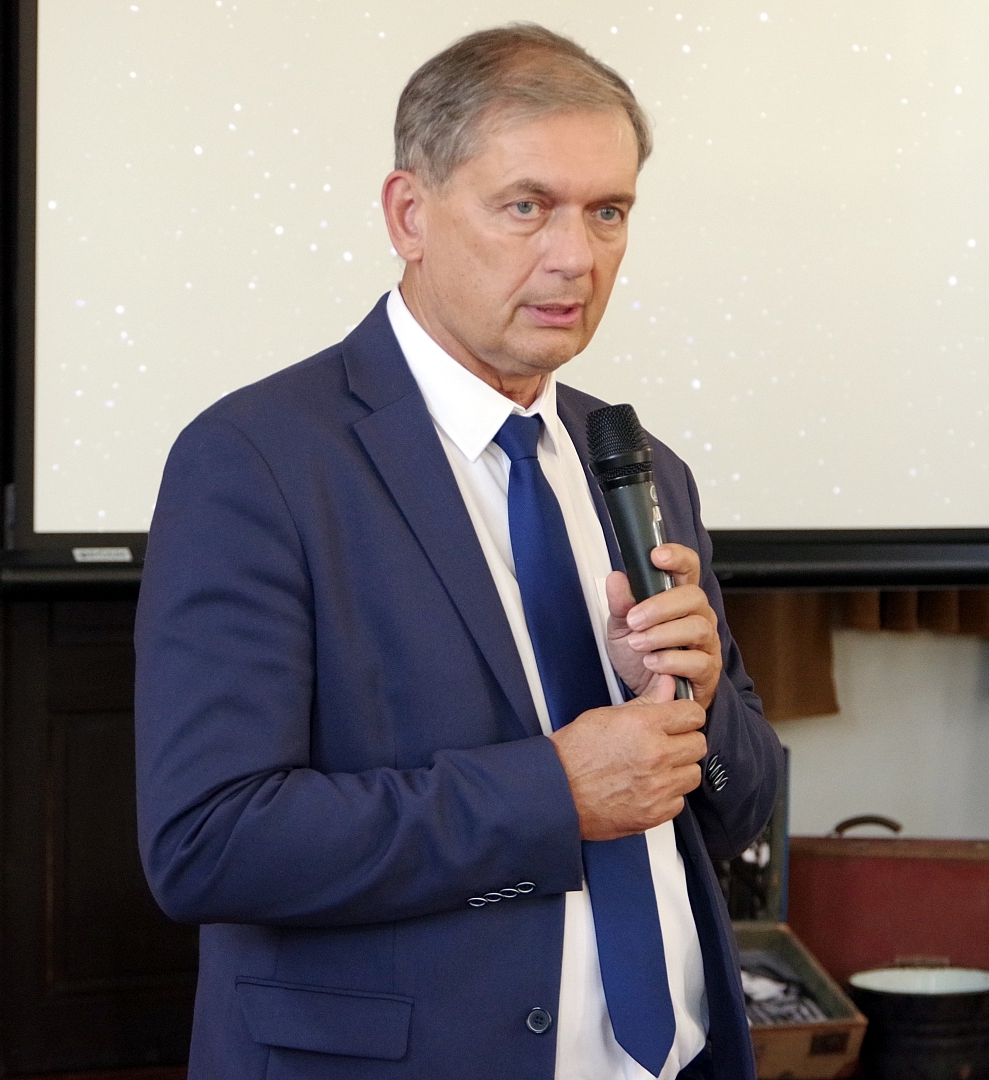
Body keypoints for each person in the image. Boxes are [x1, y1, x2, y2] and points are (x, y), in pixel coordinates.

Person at [135, 23, 782, 1080]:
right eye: (526, 206)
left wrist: (698, 703)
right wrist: (554, 794)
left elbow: (736, 807)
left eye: (608, 212)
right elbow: (209, 843)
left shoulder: (640, 465)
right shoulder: (257, 460)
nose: (576, 257)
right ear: (409, 215)